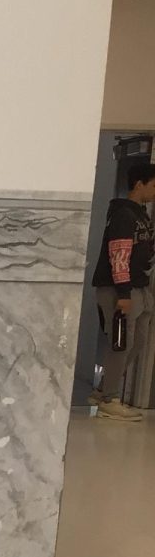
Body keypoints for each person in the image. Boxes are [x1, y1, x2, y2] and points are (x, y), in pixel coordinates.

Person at [89, 163, 155, 421]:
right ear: (139, 184)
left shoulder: (141, 215)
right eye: (153, 185)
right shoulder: (123, 215)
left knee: (136, 342)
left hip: (139, 288)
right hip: (119, 290)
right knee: (120, 344)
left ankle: (104, 389)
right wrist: (124, 294)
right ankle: (109, 399)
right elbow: (118, 255)